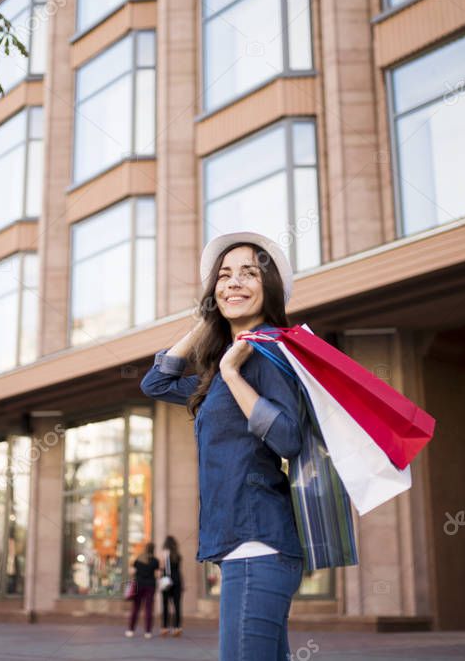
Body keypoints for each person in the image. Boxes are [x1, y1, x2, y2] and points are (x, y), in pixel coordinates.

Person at [140, 232, 305, 660]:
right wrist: (209, 320)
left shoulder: (272, 352)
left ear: (267, 288)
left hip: (259, 543)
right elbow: (156, 381)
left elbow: (289, 437)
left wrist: (234, 374)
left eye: (248, 273)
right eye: (224, 276)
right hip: (242, 547)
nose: (234, 282)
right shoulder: (219, 369)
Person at [126, 542, 160, 638]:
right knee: (148, 609)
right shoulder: (155, 561)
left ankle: (131, 630)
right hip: (150, 585)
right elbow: (157, 575)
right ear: (153, 550)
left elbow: (131, 572)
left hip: (138, 585)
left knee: (135, 608)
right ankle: (148, 632)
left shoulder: (138, 559)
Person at [159, 536, 184, 638]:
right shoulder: (178, 555)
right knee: (177, 605)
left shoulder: (164, 554)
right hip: (177, 581)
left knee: (165, 604)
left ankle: (165, 627)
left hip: (166, 581)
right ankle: (177, 627)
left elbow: (161, 567)